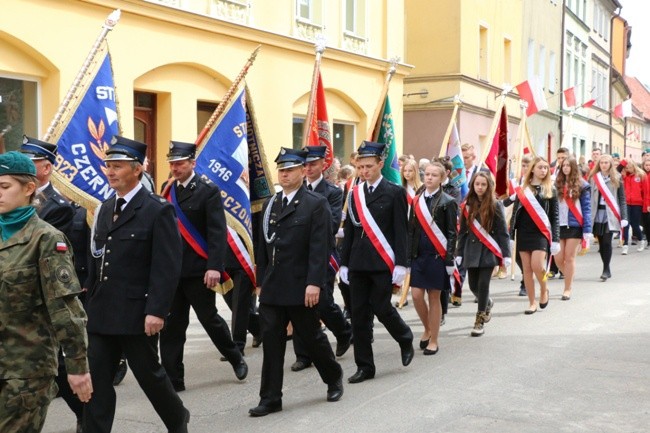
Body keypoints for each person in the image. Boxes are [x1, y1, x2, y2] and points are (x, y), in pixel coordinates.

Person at [83, 136, 190, 433]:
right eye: (108, 166)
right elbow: (97, 260)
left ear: (137, 170)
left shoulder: (157, 210)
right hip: (102, 311)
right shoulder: (105, 207)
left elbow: (167, 267)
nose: (110, 171)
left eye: (117, 166)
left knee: (150, 377)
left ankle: (177, 418)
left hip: (136, 312)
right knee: (97, 380)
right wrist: (88, 299)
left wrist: (156, 310)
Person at [0, 151, 92, 432]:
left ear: (29, 188)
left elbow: (65, 309)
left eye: (4, 187)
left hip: (25, 371)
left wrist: (77, 366)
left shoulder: (47, 239)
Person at [250, 147, 343, 416]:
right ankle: (270, 398)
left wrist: (315, 283)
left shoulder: (316, 203)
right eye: (281, 170)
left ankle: (333, 376)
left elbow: (320, 247)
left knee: (311, 337)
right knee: (272, 342)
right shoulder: (271, 204)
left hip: (301, 285)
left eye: (290, 170)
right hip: (273, 286)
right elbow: (263, 246)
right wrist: (260, 281)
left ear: (303, 171)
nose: (285, 174)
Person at [159, 141, 248, 391]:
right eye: (172, 164)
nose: (175, 168)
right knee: (172, 326)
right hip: (173, 271)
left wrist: (215, 267)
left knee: (210, 320)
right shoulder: (167, 190)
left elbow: (217, 232)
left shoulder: (207, 191)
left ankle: (235, 357)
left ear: (192, 164)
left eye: (180, 163)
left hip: (199, 270)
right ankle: (174, 379)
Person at [19, 136, 86, 431]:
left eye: (30, 163)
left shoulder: (58, 206)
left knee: (55, 366)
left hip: (41, 295)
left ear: (46, 168)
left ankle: (89, 413)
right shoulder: (13, 199)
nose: (25, 167)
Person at [339, 141, 414, 383]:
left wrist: (402, 264)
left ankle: (404, 337)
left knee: (381, 308)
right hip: (359, 261)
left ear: (381, 164)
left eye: (368, 166)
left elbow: (401, 231)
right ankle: (365, 366)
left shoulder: (394, 192)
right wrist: (344, 263)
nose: (363, 171)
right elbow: (350, 230)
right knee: (359, 314)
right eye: (360, 167)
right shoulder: (354, 194)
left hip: (383, 261)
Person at [290, 145, 352, 372]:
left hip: (322, 253)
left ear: (323, 165)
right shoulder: (294, 189)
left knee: (322, 301)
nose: (308, 168)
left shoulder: (333, 192)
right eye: (304, 164)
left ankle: (344, 331)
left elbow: (333, 224)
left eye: (313, 164)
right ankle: (303, 354)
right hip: (297, 256)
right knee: (298, 302)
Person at [407, 162, 457, 351]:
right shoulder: (416, 200)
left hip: (438, 256)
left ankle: (434, 339)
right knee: (417, 295)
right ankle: (427, 327)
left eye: (434, 175)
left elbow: (452, 233)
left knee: (434, 297)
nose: (429, 178)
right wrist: (408, 259)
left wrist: (450, 260)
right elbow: (411, 231)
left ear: (442, 178)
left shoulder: (448, 202)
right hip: (419, 256)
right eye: (427, 174)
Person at [456, 172, 510, 336]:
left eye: (483, 184)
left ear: (489, 186)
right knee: (472, 285)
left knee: (483, 284)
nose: (479, 187)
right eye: (477, 184)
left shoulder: (495, 204)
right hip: (471, 251)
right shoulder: (466, 205)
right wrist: (459, 252)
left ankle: (479, 320)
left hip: (488, 251)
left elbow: (502, 232)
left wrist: (506, 254)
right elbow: (463, 232)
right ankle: (486, 302)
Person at [509, 156, 560, 314]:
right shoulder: (523, 189)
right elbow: (515, 214)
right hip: (524, 232)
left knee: (538, 265)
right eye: (540, 167)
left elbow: (555, 216)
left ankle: (544, 289)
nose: (544, 170)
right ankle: (532, 302)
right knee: (527, 270)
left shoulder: (551, 189)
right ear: (532, 169)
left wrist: (556, 239)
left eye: (546, 167)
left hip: (541, 233)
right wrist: (511, 235)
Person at [554, 157, 592, 300]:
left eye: (568, 166)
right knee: (558, 258)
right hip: (559, 225)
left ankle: (567, 288)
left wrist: (587, 229)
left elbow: (587, 208)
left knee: (569, 257)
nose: (565, 168)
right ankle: (570, 276)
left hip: (574, 225)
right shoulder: (556, 183)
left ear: (573, 168)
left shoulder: (582, 185)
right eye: (563, 165)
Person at [20, 136, 74, 235]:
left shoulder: (58, 208)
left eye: (28, 162)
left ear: (46, 168)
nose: (22, 166)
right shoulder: (13, 196)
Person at [589, 154, 628, 281]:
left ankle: (606, 268)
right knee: (601, 244)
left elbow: (622, 199)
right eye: (601, 163)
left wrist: (624, 217)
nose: (604, 165)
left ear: (611, 164)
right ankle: (606, 267)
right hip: (596, 214)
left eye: (606, 162)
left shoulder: (617, 178)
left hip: (610, 214)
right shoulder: (594, 178)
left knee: (607, 241)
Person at [618, 158, 645, 253]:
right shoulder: (622, 176)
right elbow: (616, 170)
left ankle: (641, 240)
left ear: (634, 166)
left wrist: (646, 204)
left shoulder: (641, 175)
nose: (628, 169)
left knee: (635, 225)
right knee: (625, 224)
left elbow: (645, 192)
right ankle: (625, 245)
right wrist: (623, 162)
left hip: (637, 203)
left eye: (629, 167)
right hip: (626, 203)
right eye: (626, 167)